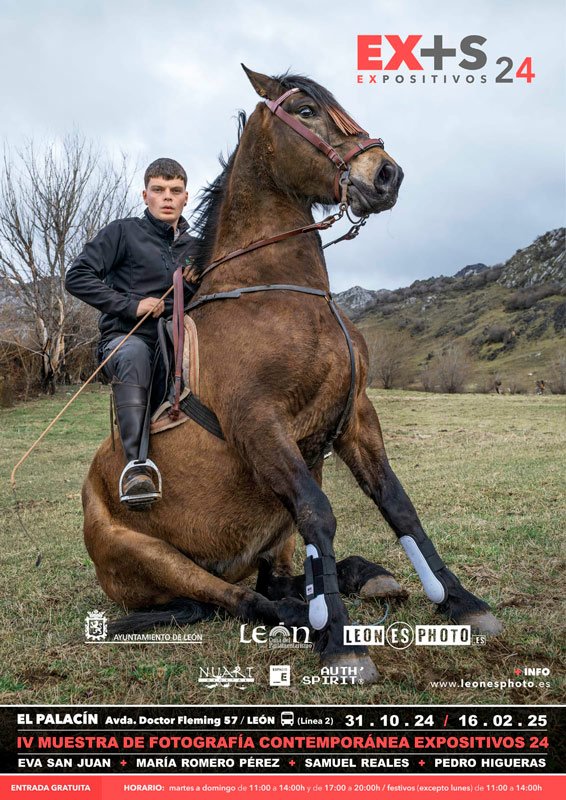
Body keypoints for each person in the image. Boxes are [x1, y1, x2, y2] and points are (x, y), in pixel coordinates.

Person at [65, 158, 199, 510]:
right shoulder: (122, 232)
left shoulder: (198, 249)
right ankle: (136, 467)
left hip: (180, 341)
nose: (166, 197)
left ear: (186, 197)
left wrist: (202, 280)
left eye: (174, 191)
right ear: (145, 195)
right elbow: (77, 276)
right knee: (134, 353)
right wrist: (132, 305)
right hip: (125, 339)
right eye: (158, 190)